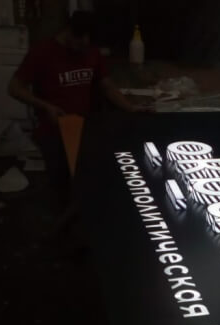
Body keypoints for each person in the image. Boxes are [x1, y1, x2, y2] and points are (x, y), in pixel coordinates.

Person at [8, 10, 148, 210]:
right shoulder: (42, 52)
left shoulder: (91, 51)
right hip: (53, 130)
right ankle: (60, 220)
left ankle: (83, 219)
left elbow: (107, 86)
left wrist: (131, 108)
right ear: (69, 31)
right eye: (80, 41)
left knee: (86, 181)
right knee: (61, 185)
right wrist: (45, 106)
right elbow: (14, 88)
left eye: (88, 42)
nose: (84, 46)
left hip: (83, 127)